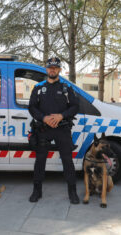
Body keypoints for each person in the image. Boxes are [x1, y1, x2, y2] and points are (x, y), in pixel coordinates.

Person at [28, 57, 80, 204]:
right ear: (46, 69)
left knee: (67, 161)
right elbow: (32, 107)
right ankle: (37, 191)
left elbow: (75, 107)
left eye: (55, 67)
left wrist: (61, 115)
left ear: (59, 70)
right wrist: (43, 118)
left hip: (62, 129)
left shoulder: (66, 88)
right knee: (40, 161)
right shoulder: (38, 88)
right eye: (50, 67)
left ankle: (72, 192)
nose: (52, 69)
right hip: (43, 129)